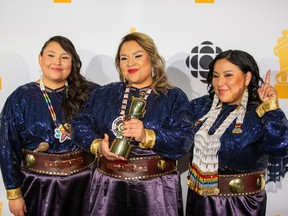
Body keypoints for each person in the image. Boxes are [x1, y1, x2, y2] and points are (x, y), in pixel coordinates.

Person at [71, 32, 193, 216]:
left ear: (152, 59)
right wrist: (97, 146)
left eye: (137, 56)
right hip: (108, 187)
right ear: (119, 65)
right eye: (124, 58)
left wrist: (148, 136)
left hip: (156, 189)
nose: (130, 63)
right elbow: (79, 124)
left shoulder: (172, 97)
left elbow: (184, 140)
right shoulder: (104, 94)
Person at [0, 35, 99, 216]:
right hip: (38, 184)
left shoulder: (90, 93)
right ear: (40, 59)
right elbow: (7, 145)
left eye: (65, 57)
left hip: (85, 182)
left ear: (73, 62)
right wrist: (14, 194)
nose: (57, 62)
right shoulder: (20, 98)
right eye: (51, 55)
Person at [186, 49, 288, 216]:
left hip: (242, 204)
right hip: (199, 201)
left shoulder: (260, 112)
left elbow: (281, 147)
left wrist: (272, 109)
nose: (219, 83)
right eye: (216, 75)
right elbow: (177, 140)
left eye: (228, 75)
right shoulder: (199, 107)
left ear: (247, 78)